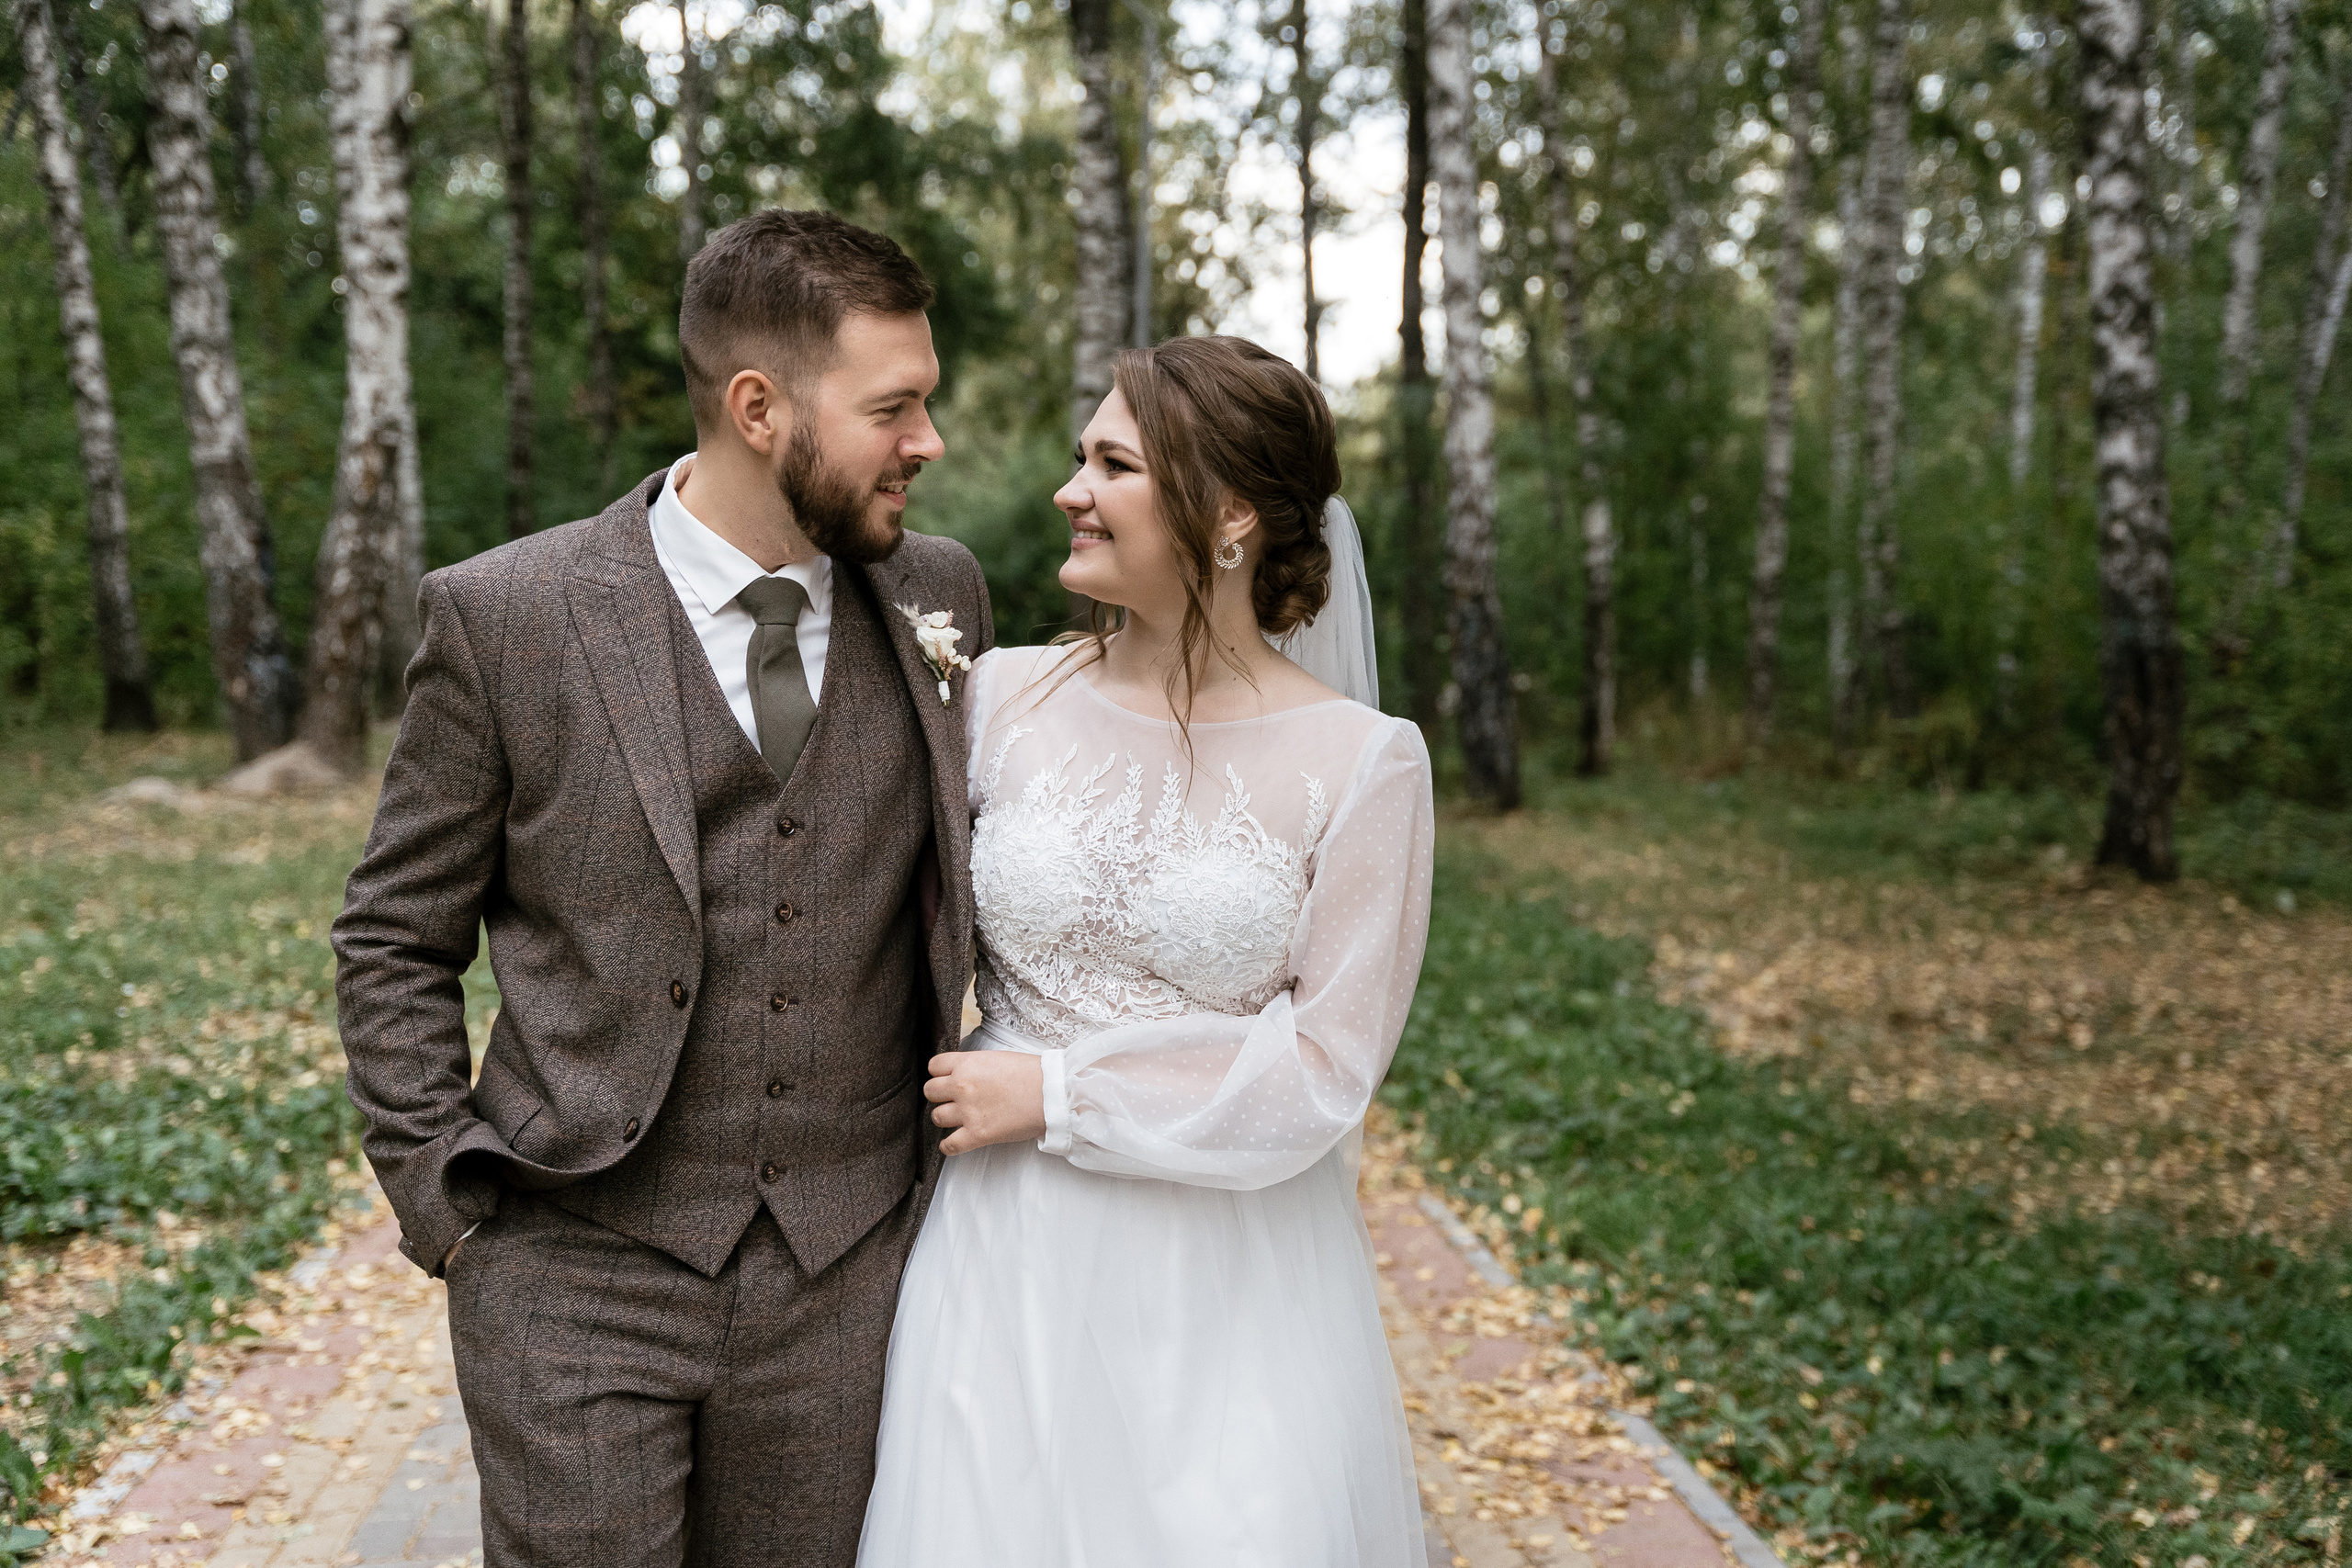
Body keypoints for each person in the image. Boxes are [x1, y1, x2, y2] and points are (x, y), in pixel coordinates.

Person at [333, 209, 992, 1567]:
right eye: (895, 407)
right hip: (572, 1273)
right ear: (760, 408)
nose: (928, 442)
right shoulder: (510, 616)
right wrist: (447, 1212)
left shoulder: (941, 596)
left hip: (847, 1270)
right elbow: (394, 936)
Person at [857, 335, 1435, 1567]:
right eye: (1080, 458)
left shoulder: (1364, 762)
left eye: (1112, 463)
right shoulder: (1001, 694)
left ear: (1228, 515)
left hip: (1221, 1276)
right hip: (1004, 1253)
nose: (1071, 490)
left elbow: (1331, 1069)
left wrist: (1062, 1095)